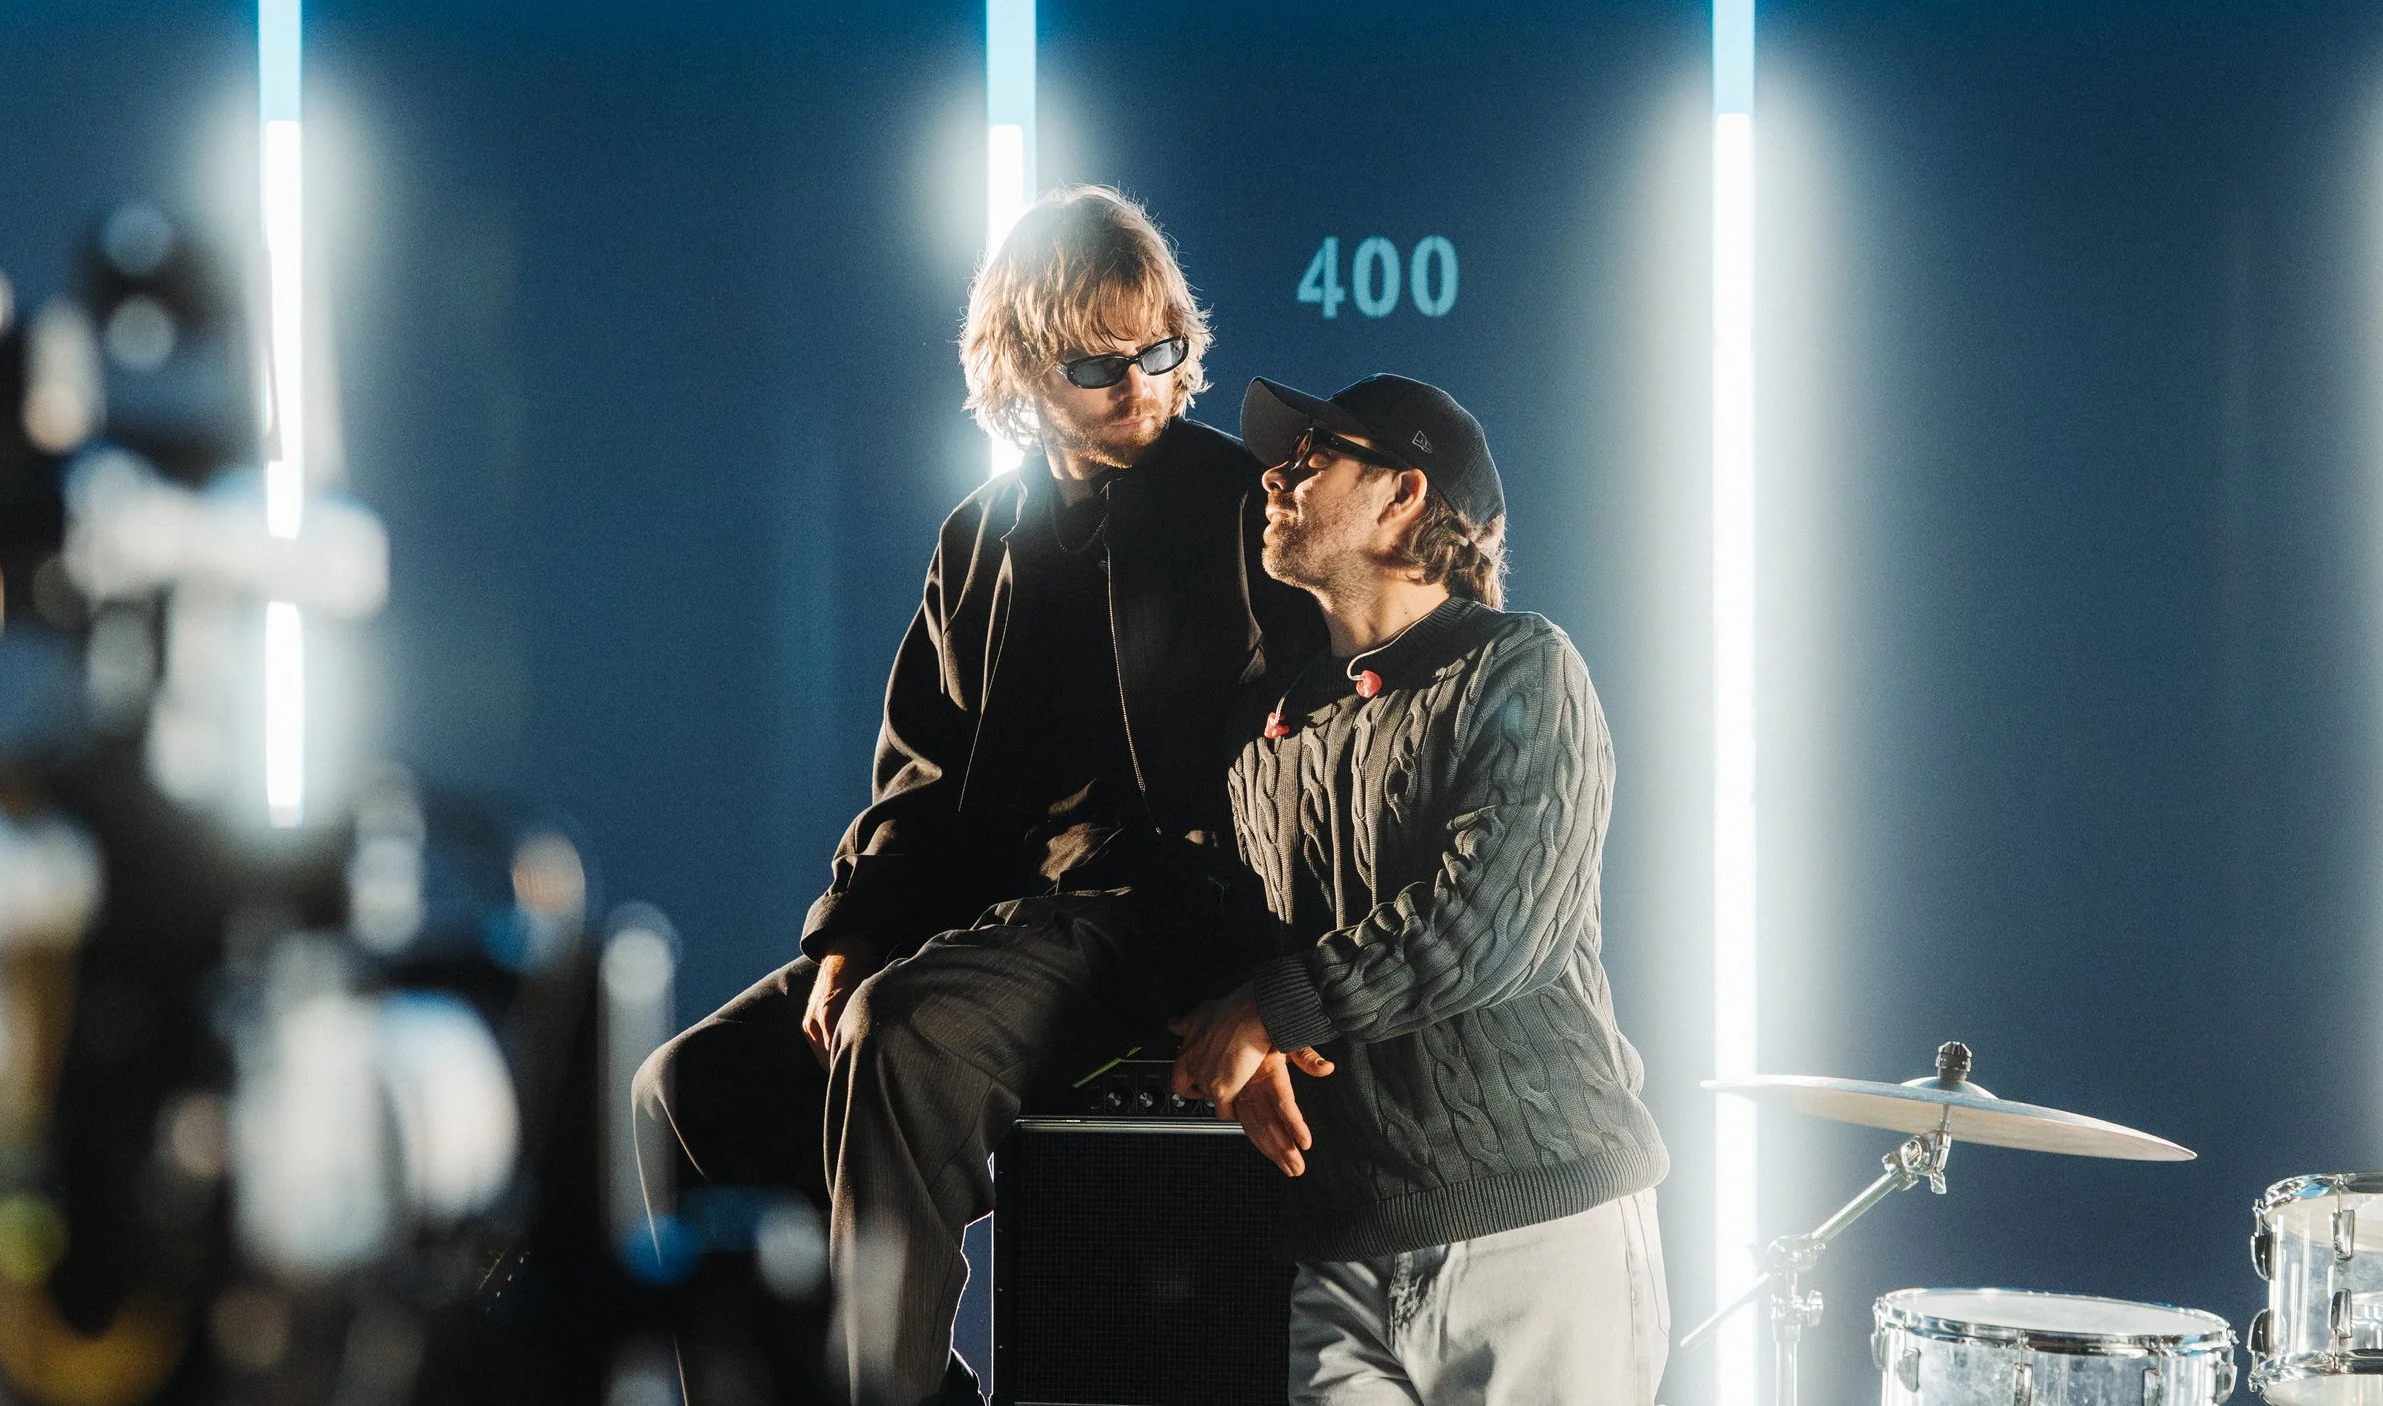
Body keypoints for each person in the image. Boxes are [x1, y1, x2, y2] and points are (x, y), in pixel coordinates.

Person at [633, 186, 1313, 1406]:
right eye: (1101, 366)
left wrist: (1260, 979)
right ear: (1021, 371)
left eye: (1161, 352)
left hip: (1153, 916)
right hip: (992, 916)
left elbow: (1304, 759)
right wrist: (849, 932)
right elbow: (924, 775)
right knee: (685, 1086)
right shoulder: (979, 535)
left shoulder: (1240, 501)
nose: (1144, 388)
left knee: (906, 1032)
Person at [1170, 374, 1671, 1405]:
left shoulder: (1520, 667)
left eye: (1315, 456)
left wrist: (1273, 1006)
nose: (1279, 474)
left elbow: (1488, 926)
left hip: (1535, 1237)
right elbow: (1240, 937)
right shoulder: (1260, 734)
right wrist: (1244, 1035)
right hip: (1339, 1249)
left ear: (1403, 493)